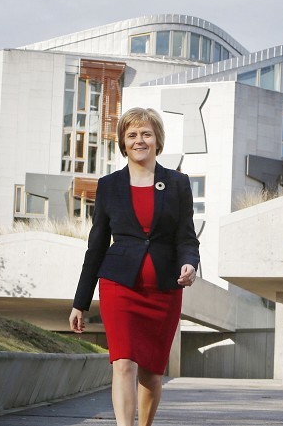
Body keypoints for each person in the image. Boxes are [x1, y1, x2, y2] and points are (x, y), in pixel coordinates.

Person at [69, 107, 200, 426]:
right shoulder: (109, 185)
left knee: (152, 373)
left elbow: (186, 237)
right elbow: (96, 245)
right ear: (123, 144)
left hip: (164, 290)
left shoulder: (178, 184)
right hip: (119, 286)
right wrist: (80, 302)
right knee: (123, 363)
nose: (139, 140)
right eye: (132, 135)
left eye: (146, 134)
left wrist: (189, 264)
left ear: (157, 141)